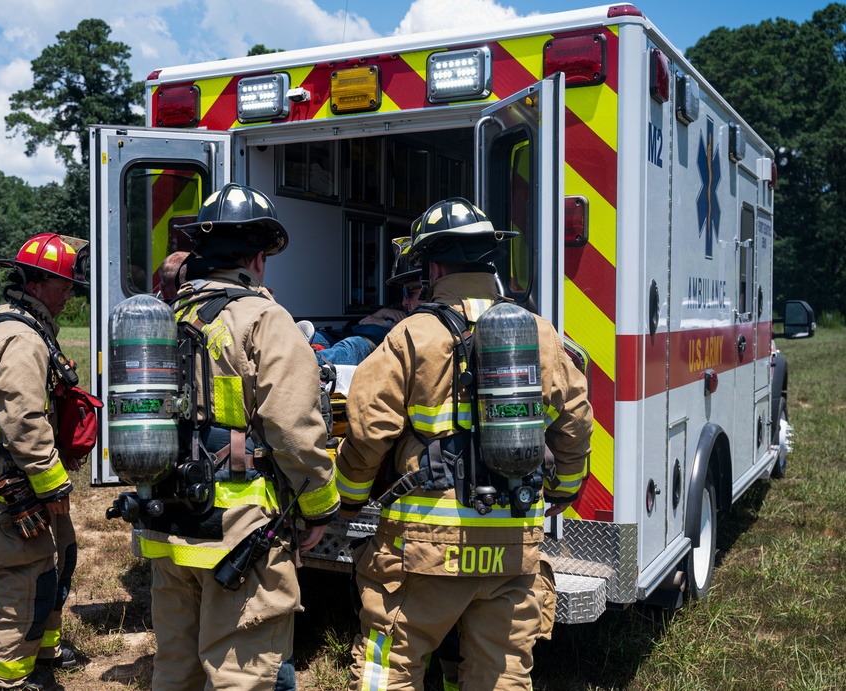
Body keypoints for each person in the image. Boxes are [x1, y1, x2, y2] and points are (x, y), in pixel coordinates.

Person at [335, 198, 593, 691]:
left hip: (425, 548)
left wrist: (346, 498)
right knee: (502, 676)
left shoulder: (412, 335)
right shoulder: (537, 333)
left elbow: (367, 429)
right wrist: (564, 487)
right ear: (489, 263)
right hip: (512, 544)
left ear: (432, 265)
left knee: (388, 671)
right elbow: (576, 421)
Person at [141, 183, 340, 690]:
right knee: (242, 675)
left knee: (174, 670)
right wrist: (318, 509)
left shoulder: (164, 318)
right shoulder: (264, 319)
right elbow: (294, 431)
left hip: (168, 525)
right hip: (240, 530)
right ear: (257, 258)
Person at [0, 233, 91, 691]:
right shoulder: (20, 338)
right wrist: (54, 485)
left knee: (56, 562)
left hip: (25, 484)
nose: (69, 295)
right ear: (37, 284)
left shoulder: (21, 328)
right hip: (11, 490)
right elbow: (23, 421)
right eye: (63, 286)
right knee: (23, 584)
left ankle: (44, 649)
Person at [301, 237, 423, 367]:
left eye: (410, 293)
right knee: (316, 336)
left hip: (367, 341)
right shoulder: (400, 313)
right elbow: (365, 322)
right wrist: (382, 313)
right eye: (402, 293)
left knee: (352, 346)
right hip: (351, 332)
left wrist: (385, 323)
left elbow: (415, 334)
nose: (404, 302)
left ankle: (301, 367)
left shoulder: (433, 320)